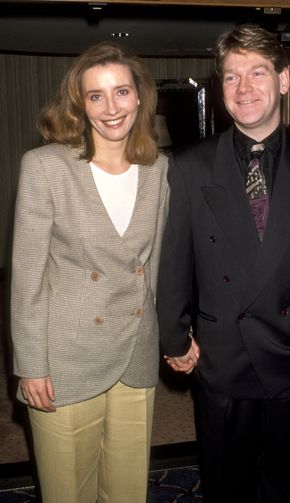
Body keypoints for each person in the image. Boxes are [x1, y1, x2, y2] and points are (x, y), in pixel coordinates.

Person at [157, 24, 290, 503]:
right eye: (230, 76)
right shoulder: (189, 165)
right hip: (223, 360)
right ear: (218, 86)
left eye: (257, 72)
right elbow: (174, 264)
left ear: (284, 80)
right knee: (228, 486)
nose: (243, 88)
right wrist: (175, 336)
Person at [11, 41, 168, 503]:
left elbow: (153, 267)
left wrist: (166, 335)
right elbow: (26, 278)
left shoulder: (159, 169)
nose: (111, 107)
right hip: (66, 357)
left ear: (140, 97)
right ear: (80, 103)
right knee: (67, 491)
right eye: (96, 96)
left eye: (121, 92)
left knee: (126, 490)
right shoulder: (45, 167)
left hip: (135, 353)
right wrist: (31, 365)